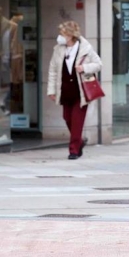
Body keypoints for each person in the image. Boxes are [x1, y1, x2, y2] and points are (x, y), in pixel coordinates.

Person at [46, 21, 102, 160]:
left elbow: (98, 64)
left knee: (77, 121)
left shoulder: (86, 49)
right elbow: (53, 70)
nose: (60, 36)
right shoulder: (59, 49)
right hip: (65, 90)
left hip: (80, 92)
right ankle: (80, 141)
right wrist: (51, 90)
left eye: (63, 33)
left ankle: (74, 150)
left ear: (70, 35)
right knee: (67, 118)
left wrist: (84, 68)